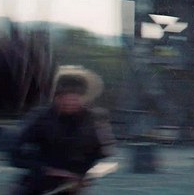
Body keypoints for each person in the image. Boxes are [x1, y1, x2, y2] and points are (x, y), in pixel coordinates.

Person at [9, 66, 115, 195]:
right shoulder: (41, 117)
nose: (70, 102)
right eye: (65, 97)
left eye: (75, 98)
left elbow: (103, 152)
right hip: (39, 179)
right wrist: (46, 169)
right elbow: (15, 150)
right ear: (56, 98)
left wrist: (85, 173)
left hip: (74, 182)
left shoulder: (94, 119)